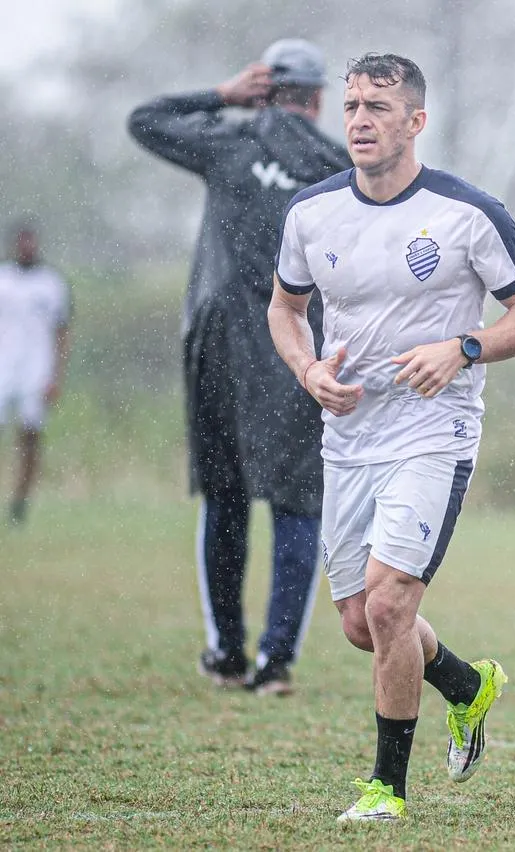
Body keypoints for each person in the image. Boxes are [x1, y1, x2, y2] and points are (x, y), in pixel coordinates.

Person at [268, 52, 515, 822]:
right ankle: (468, 685)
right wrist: (306, 372)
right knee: (362, 624)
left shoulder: (467, 213)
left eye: (379, 108)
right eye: (353, 106)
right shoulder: (311, 213)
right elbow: (285, 310)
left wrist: (461, 347)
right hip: (349, 436)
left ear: (416, 122)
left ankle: (385, 790)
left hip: (435, 431)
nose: (360, 121)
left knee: (392, 605)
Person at [127, 39, 352, 695]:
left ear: (264, 88)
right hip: (299, 349)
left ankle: (227, 651)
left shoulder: (227, 142)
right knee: (296, 502)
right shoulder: (335, 168)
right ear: (317, 99)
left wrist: (220, 97)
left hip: (219, 340)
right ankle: (274, 662)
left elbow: (144, 119)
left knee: (225, 496)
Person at [0, 223, 71, 525]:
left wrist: (56, 375)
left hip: (36, 370)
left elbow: (62, 332)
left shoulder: (52, 284)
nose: (26, 247)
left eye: (31, 241)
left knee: (29, 437)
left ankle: (20, 503)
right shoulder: (3, 279)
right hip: (4, 367)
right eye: (22, 241)